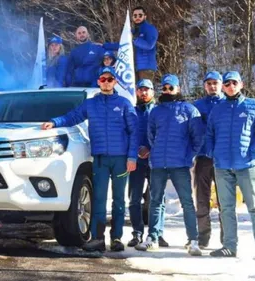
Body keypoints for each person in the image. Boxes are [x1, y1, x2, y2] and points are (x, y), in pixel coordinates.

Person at [41, 67, 139, 252]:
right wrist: (55, 122)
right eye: (103, 79)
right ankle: (98, 238)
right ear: (98, 82)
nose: (106, 82)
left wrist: (132, 156)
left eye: (110, 79)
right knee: (99, 199)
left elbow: (134, 131)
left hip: (120, 159)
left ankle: (117, 238)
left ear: (115, 82)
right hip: (100, 158)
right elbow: (73, 116)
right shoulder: (91, 104)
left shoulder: (125, 103)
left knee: (119, 200)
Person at [205, 71, 255, 261]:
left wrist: (253, 153)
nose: (230, 86)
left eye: (233, 83)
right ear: (223, 86)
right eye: (226, 83)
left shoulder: (253, 105)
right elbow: (209, 134)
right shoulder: (217, 109)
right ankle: (229, 246)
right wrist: (213, 153)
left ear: (241, 84)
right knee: (226, 209)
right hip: (222, 166)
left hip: (246, 166)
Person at [135, 74, 203, 256]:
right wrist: (155, 152)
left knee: (187, 202)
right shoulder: (156, 111)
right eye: (164, 88)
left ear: (178, 89)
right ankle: (153, 237)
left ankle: (193, 240)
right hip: (158, 164)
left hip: (180, 164)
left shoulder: (189, 110)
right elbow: (151, 135)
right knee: (155, 200)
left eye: (170, 88)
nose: (167, 91)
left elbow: (198, 139)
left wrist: (188, 156)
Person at [127, 79, 169, 248]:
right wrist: (136, 149)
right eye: (140, 90)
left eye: (147, 90)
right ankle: (137, 233)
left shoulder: (159, 111)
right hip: (136, 161)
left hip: (156, 160)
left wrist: (151, 149)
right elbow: (128, 134)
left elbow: (164, 134)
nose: (143, 93)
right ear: (137, 92)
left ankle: (157, 233)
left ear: (153, 92)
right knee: (134, 198)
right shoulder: (131, 112)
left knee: (158, 198)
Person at [192, 71, 225, 248]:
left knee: (225, 199)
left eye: (215, 83)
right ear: (205, 85)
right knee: (202, 198)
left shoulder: (227, 105)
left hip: (222, 158)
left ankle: (227, 237)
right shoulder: (197, 106)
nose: (212, 86)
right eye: (209, 83)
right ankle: (203, 235)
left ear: (221, 84)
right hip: (203, 157)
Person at [131, 6, 158, 80]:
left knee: (145, 90)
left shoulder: (150, 29)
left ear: (145, 16)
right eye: (135, 15)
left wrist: (135, 39)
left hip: (146, 68)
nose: (137, 17)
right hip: (133, 67)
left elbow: (150, 45)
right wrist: (105, 46)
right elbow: (123, 44)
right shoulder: (133, 31)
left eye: (140, 15)